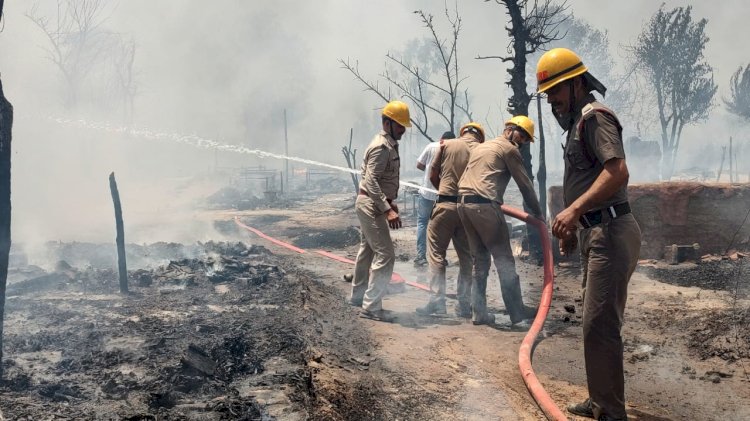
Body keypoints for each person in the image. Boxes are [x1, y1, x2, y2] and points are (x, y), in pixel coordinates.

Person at [536, 47, 641, 421]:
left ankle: (611, 412)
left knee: (600, 325)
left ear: (577, 83)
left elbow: (617, 172)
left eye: (556, 91)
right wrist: (573, 227)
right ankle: (601, 401)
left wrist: (575, 210)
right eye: (548, 95)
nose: (551, 101)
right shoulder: (577, 124)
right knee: (593, 323)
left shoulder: (594, 118)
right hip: (596, 230)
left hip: (610, 229)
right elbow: (584, 179)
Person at [457, 116, 543, 326]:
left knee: (480, 261)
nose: (521, 142)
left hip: (463, 204)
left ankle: (479, 312)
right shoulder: (508, 149)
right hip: (485, 206)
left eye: (524, 139)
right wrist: (539, 214)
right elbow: (525, 184)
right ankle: (517, 312)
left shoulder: (483, 147)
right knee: (504, 259)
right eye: (521, 136)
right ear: (510, 130)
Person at [349, 100, 410, 323]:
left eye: (404, 125)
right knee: (386, 255)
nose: (403, 130)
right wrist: (387, 209)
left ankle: (357, 296)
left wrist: (389, 203)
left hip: (373, 204)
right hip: (371, 205)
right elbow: (371, 181)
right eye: (399, 125)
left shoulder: (389, 145)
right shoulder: (381, 147)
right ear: (387, 123)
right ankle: (372, 306)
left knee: (367, 250)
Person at [415, 123, 484, 317]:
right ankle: (464, 305)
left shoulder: (446, 145)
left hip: (445, 205)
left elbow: (432, 173)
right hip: (466, 210)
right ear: (479, 137)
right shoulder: (482, 149)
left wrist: (443, 191)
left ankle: (437, 302)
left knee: (436, 255)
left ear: (463, 132)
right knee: (466, 259)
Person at [414, 131, 455, 267]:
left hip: (426, 192)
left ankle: (421, 257)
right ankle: (438, 258)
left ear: (441, 138)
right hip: (442, 194)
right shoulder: (453, 151)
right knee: (441, 226)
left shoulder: (431, 146)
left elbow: (419, 165)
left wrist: (428, 171)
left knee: (422, 223)